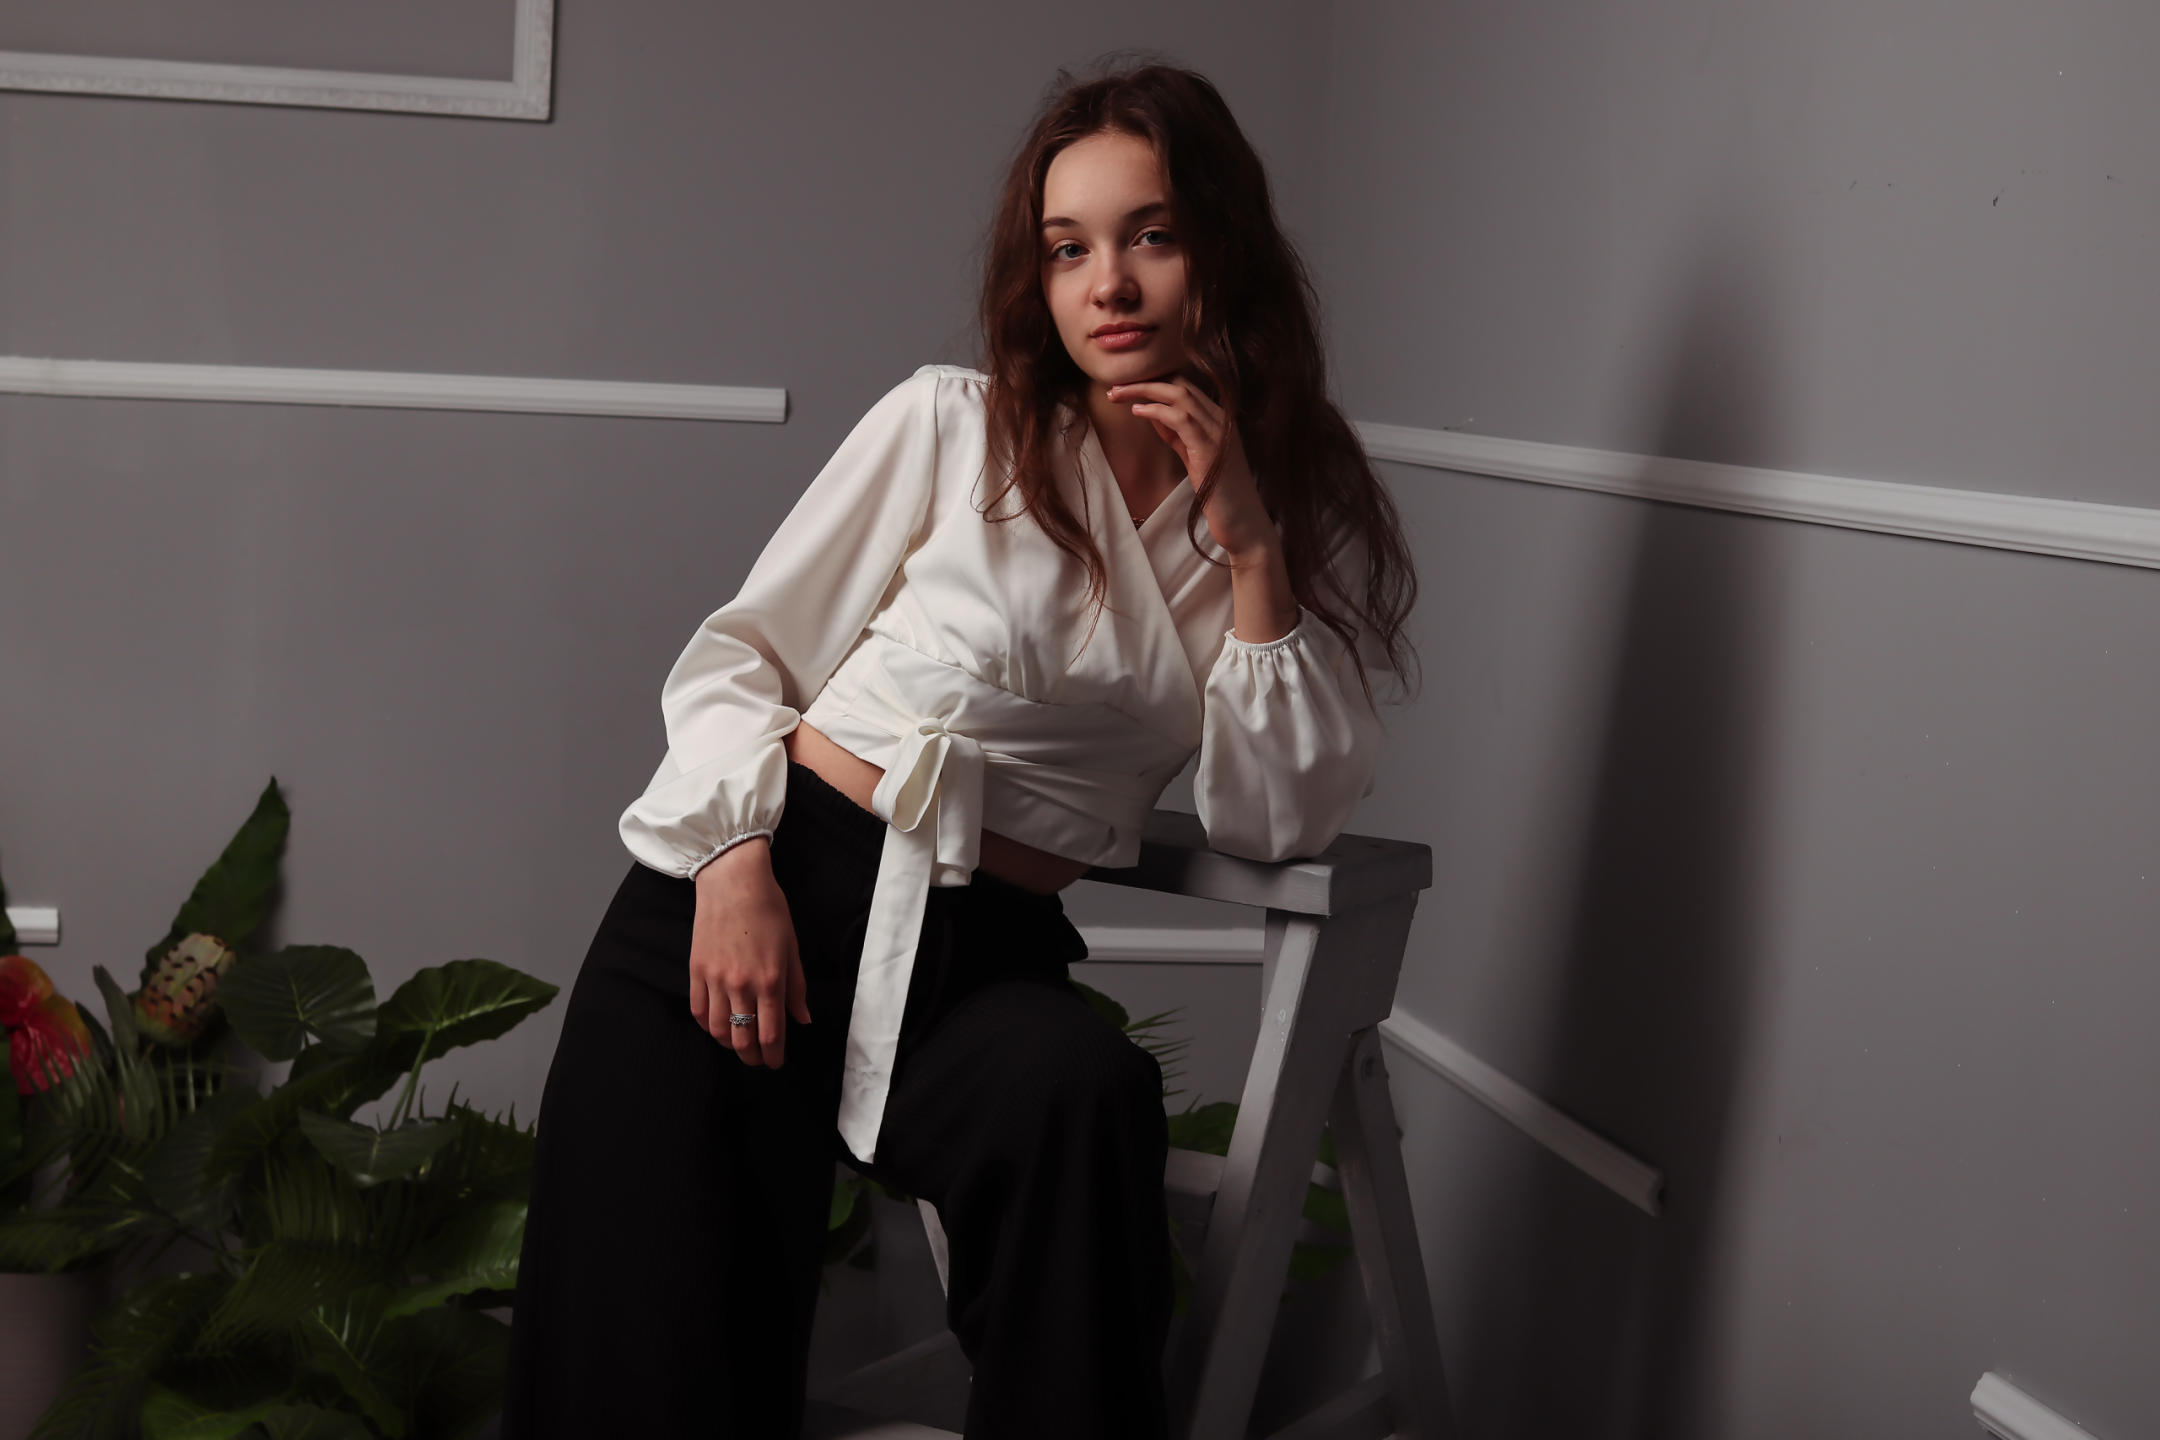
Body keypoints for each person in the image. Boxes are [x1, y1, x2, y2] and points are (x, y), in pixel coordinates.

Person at [502, 54, 1419, 1440]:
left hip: (976, 958)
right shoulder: (954, 422)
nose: (1108, 285)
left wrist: (1247, 549)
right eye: (1069, 249)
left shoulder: (1259, 522)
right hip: (757, 900)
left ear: (1220, 250)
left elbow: (1274, 820)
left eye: (1151, 236)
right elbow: (743, 658)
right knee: (657, 1356)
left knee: (1083, 1095)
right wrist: (731, 867)